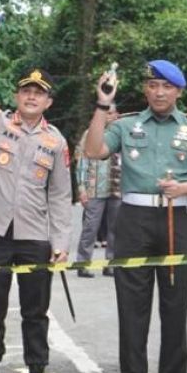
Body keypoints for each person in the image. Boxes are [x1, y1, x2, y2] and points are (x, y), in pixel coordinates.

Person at [84, 60, 187, 373]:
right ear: (145, 89)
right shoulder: (127, 125)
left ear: (178, 91)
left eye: (167, 87)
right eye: (153, 86)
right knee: (132, 306)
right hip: (133, 219)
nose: (159, 93)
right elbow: (93, 150)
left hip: (178, 219)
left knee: (175, 305)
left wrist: (185, 188)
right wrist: (102, 105)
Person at [0, 27, 71, 373]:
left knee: (35, 311)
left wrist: (61, 242)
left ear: (48, 102)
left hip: (34, 236)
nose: (31, 95)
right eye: (26, 90)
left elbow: (60, 195)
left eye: (38, 92)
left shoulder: (55, 142)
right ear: (17, 96)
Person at [74, 118, 121, 278]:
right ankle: (82, 264)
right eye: (106, 112)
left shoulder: (121, 133)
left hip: (117, 189)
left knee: (115, 229)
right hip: (94, 189)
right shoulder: (90, 134)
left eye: (113, 112)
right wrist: (81, 188)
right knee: (90, 228)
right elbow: (82, 161)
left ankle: (111, 265)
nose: (109, 116)